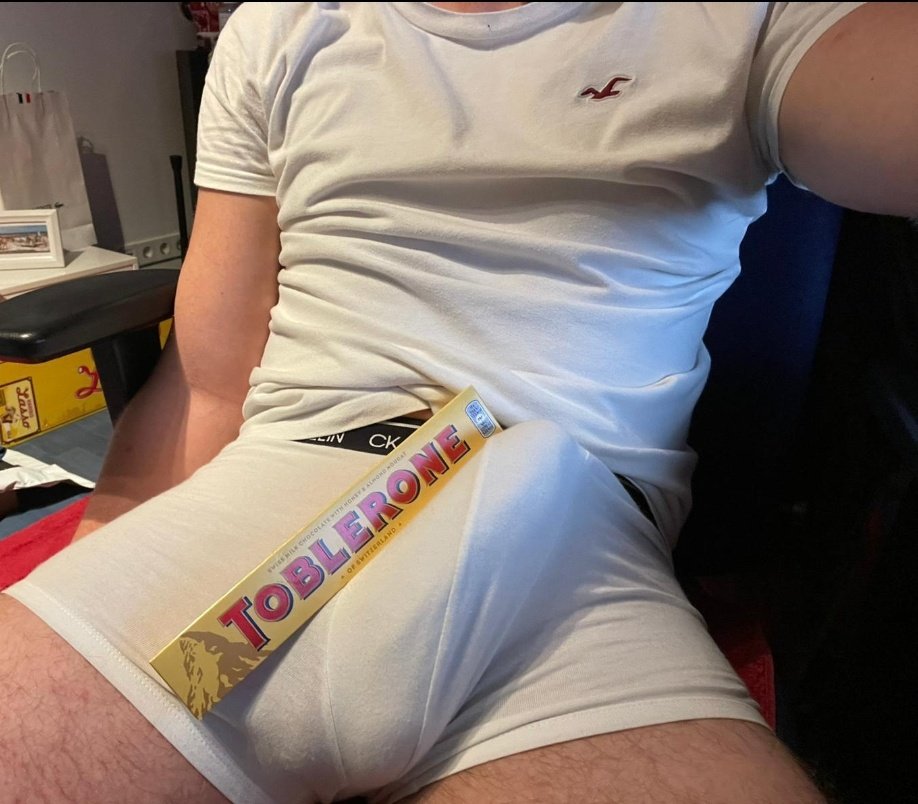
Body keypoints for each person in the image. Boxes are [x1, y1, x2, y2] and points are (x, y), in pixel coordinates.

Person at [1, 2, 915, 801]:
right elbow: (209, 381)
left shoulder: (744, 17)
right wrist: (99, 573)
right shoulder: (279, 26)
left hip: (572, 557)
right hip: (277, 496)